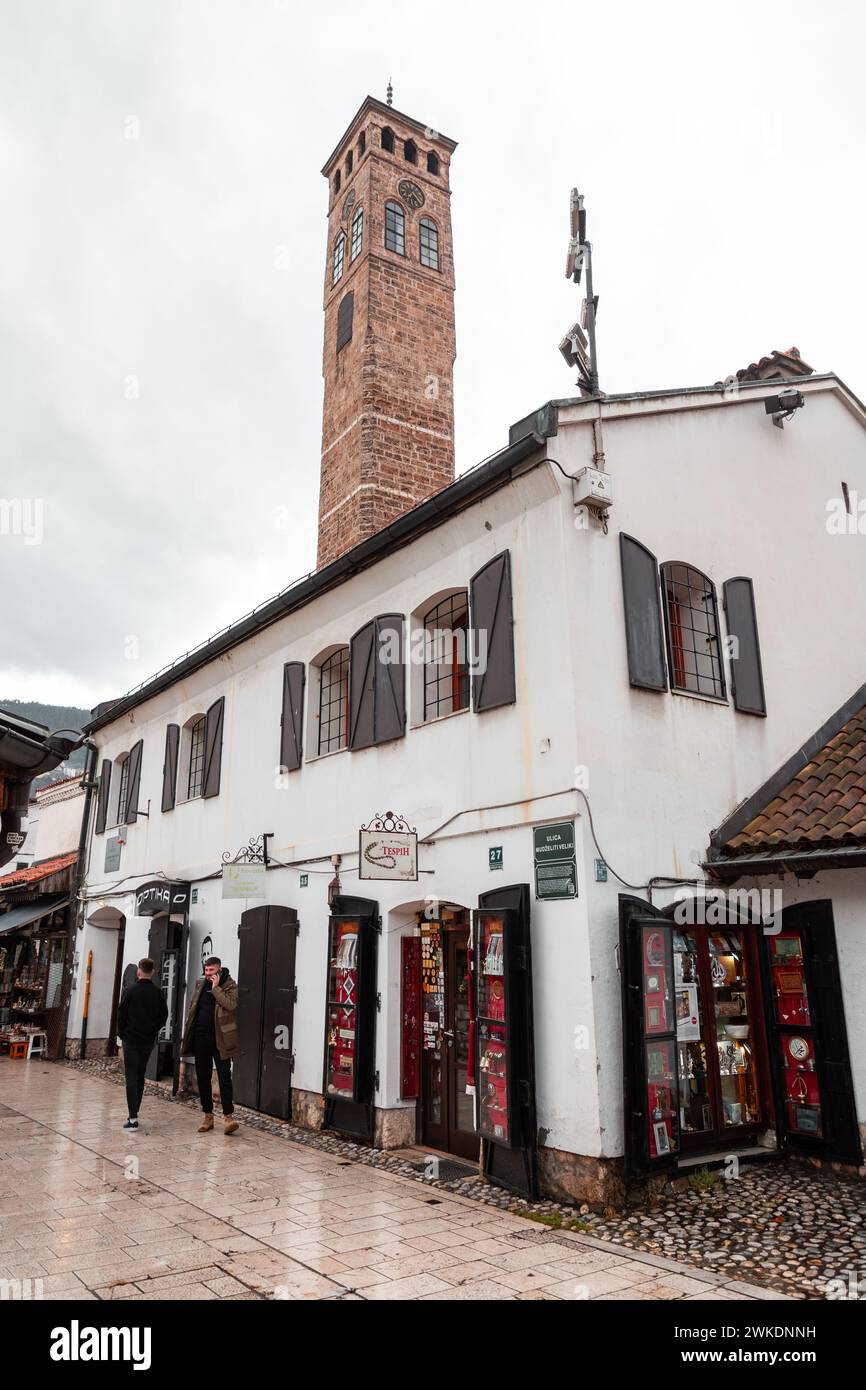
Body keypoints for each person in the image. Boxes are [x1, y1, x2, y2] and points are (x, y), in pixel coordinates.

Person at [180, 955, 240, 1134]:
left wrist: (216, 989)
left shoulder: (230, 986)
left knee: (224, 1077)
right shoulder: (200, 985)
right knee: (203, 1077)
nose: (207, 974)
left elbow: (231, 1005)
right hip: (201, 1038)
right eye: (206, 971)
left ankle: (228, 1117)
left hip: (221, 1039)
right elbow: (193, 1008)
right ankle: (208, 1116)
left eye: (211, 971)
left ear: (219, 970)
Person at [117, 958, 168, 1133]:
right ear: (152, 972)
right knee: (140, 1076)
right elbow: (163, 1016)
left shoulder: (130, 991)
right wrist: (152, 1030)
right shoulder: (158, 993)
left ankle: (133, 1118)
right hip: (147, 1041)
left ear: (139, 972)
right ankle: (134, 1112)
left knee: (131, 1078)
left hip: (131, 1040)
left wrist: (122, 1034)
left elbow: (121, 1014)